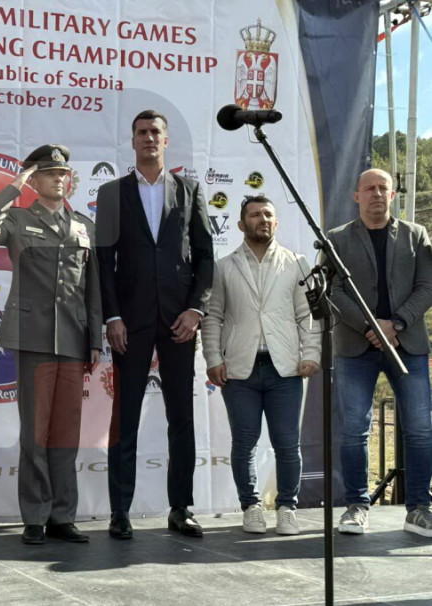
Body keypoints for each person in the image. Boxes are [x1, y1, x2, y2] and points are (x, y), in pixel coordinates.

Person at [0, 145, 102, 545]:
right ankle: (35, 515)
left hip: (73, 338)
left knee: (66, 433)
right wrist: (15, 185)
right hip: (32, 338)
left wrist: (94, 339)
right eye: (49, 173)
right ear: (35, 180)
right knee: (35, 434)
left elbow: (93, 287)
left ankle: (63, 516)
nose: (58, 179)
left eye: (63, 174)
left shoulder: (83, 225)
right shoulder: (18, 219)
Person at [95, 109, 214, 539]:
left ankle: (181, 508)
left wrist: (196, 310)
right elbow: (103, 262)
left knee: (181, 417)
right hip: (130, 322)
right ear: (133, 141)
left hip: (179, 321)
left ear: (166, 141)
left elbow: (206, 257)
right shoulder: (112, 193)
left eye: (155, 132)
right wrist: (112, 316)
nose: (148, 138)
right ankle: (119, 512)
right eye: (141, 132)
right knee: (124, 418)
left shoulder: (190, 190)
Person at [201, 195, 320, 535]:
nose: (263, 219)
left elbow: (307, 315)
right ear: (241, 224)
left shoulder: (297, 263)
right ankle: (251, 506)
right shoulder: (224, 266)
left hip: (286, 369)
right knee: (244, 442)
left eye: (268, 214)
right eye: (255, 215)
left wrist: (311, 353)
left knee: (287, 443)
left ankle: (287, 508)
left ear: (276, 222)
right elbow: (212, 316)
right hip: (241, 369)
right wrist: (213, 358)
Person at [328, 168, 432, 537]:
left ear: (392, 195)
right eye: (369, 188)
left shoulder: (416, 235)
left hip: (407, 344)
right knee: (355, 429)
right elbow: (333, 291)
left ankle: (419, 509)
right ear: (356, 196)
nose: (376, 193)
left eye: (382, 188)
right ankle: (357, 506)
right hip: (357, 346)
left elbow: (427, 285)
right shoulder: (336, 239)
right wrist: (370, 327)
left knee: (420, 428)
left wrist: (396, 324)